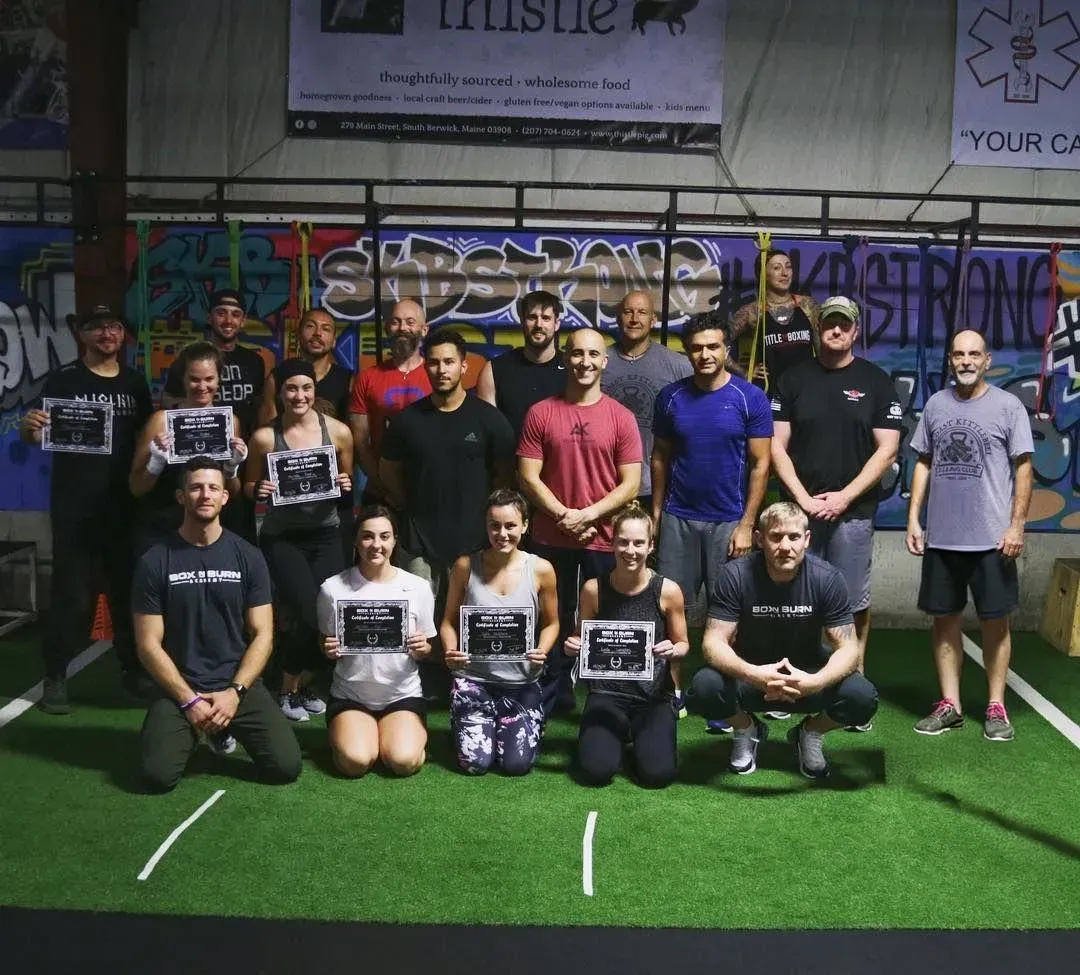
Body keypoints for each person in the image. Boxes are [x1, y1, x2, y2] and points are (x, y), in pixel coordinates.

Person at [132, 457, 302, 793]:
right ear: (181, 497)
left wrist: (236, 692)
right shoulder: (155, 560)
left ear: (226, 497)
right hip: (181, 686)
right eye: (195, 487)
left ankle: (221, 725)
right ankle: (193, 728)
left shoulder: (248, 556)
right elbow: (147, 645)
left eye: (213, 488)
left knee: (285, 767)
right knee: (157, 776)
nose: (205, 494)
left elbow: (263, 634)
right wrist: (189, 701)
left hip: (235, 685)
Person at [770, 295, 902, 724]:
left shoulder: (877, 381)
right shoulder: (792, 379)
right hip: (798, 513)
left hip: (854, 513)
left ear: (855, 331)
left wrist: (844, 496)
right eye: (829, 323)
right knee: (792, 599)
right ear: (819, 328)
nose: (836, 330)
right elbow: (775, 445)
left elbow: (887, 450)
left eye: (844, 324)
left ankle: (853, 687)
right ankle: (788, 683)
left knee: (851, 603)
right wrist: (803, 501)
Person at [20, 304, 153, 713]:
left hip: (124, 505)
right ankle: (56, 674)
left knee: (127, 591)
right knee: (72, 596)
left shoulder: (135, 383)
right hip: (75, 506)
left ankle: (133, 669)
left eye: (114, 326)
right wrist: (30, 431)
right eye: (97, 327)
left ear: (123, 334)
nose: (107, 333)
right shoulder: (64, 380)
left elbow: (148, 437)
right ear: (84, 335)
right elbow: (38, 435)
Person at [686, 502, 878, 779]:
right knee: (703, 688)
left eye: (794, 537)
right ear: (760, 539)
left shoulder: (827, 579)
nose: (785, 546)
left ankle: (809, 733)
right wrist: (753, 674)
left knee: (862, 697)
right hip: (751, 677)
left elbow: (849, 648)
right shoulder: (735, 575)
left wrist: (815, 682)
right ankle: (745, 728)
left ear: (807, 540)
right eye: (776, 537)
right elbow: (713, 643)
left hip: (807, 676)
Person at [906, 329, 1033, 742]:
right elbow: (923, 462)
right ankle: (950, 705)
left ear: (986, 360)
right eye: (958, 354)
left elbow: (1023, 469)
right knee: (945, 621)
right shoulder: (936, 406)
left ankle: (996, 706)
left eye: (973, 354)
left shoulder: (1008, 406)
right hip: (943, 538)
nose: (965, 361)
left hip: (993, 539)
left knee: (995, 622)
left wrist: (1016, 525)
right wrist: (913, 518)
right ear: (950, 361)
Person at [651, 313, 772, 726]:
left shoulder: (749, 398)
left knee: (727, 616)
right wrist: (656, 515)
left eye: (712, 347)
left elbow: (761, 465)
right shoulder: (670, 397)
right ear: (688, 352)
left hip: (728, 523)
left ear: (726, 351)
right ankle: (672, 691)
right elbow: (660, 457)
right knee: (673, 611)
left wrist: (746, 524)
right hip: (678, 519)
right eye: (697, 348)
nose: (704, 354)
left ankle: (722, 698)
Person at [517, 326, 642, 717]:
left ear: (604, 361)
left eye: (592, 355)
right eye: (576, 354)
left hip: (603, 538)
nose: (584, 362)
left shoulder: (621, 417)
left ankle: (608, 702)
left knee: (607, 623)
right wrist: (564, 516)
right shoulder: (541, 412)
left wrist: (587, 515)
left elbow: (632, 482)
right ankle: (552, 699)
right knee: (551, 619)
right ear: (565, 358)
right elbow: (527, 475)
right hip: (550, 537)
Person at [244, 359, 354, 723]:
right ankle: (287, 689)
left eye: (306, 387)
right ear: (280, 391)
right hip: (283, 537)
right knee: (307, 612)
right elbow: (246, 486)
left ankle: (301, 685)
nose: (299, 395)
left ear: (314, 390)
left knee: (329, 616)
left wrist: (345, 486)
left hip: (327, 534)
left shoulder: (337, 432)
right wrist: (258, 489)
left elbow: (346, 483)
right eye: (291, 388)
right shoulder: (263, 437)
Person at [380, 329, 516, 614]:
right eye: (434, 362)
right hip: (418, 543)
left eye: (449, 362)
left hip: (474, 543)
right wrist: (408, 506)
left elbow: (503, 477)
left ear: (463, 366)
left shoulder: (489, 420)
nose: (441, 369)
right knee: (416, 624)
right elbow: (388, 471)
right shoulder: (407, 422)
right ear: (425, 365)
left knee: (467, 624)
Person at [564, 503, 689, 788]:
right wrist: (573, 646)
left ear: (650, 546)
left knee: (658, 776)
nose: (630, 550)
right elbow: (579, 636)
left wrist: (672, 650)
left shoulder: (667, 591)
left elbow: (683, 644)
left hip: (653, 696)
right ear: (612, 543)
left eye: (638, 543)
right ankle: (613, 741)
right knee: (595, 773)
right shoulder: (594, 589)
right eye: (623, 542)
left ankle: (638, 741)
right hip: (606, 694)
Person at [440, 490, 559, 776]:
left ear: (525, 526)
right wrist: (450, 651)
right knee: (475, 764)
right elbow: (447, 622)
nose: (502, 533)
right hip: (473, 680)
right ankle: (470, 717)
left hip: (520, 683)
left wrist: (542, 650)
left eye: (510, 526)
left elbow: (552, 623)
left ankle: (519, 720)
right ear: (486, 526)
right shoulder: (465, 566)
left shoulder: (541, 570)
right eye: (494, 525)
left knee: (516, 766)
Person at [317, 506, 436, 778]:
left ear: (395, 540)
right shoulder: (332, 588)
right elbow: (322, 641)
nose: (376, 545)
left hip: (401, 695)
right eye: (368, 536)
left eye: (384, 536)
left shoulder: (417, 587)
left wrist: (422, 649)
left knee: (403, 762)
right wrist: (328, 649)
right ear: (356, 541)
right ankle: (359, 736)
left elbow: (428, 647)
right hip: (351, 696)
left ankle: (396, 737)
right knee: (355, 762)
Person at [129, 342, 246, 552]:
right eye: (194, 379)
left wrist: (231, 468)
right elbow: (136, 488)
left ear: (219, 379)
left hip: (211, 529)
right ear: (183, 379)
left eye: (209, 379)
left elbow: (233, 493)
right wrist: (155, 463)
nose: (202, 387)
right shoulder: (161, 421)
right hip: (164, 525)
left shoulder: (230, 422)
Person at [600, 290, 692, 510]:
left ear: (653, 320)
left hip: (657, 485)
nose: (634, 319)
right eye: (628, 312)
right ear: (618, 318)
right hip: (605, 482)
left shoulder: (678, 365)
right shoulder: (598, 360)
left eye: (641, 312)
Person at [347, 297, 431, 506]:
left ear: (424, 329)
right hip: (380, 493)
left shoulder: (438, 375)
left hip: (427, 490)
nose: (403, 328)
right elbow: (360, 442)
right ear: (387, 328)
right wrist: (384, 485)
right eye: (396, 321)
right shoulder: (367, 378)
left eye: (410, 322)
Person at [162, 288, 268, 435]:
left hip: (242, 446)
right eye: (221, 313)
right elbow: (168, 401)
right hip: (200, 441)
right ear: (209, 317)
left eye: (236, 314)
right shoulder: (191, 358)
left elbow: (260, 404)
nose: (228, 320)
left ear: (243, 321)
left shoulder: (255, 361)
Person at [476, 289, 567, 441]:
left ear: (556, 324)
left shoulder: (572, 369)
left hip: (561, 463)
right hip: (511, 463)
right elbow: (487, 432)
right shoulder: (494, 370)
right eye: (532, 317)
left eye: (545, 318)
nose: (538, 324)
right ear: (522, 320)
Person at [729, 249, 819, 392]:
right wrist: (744, 373)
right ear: (762, 274)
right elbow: (719, 345)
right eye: (777, 268)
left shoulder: (807, 305)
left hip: (805, 390)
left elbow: (822, 351)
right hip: (768, 392)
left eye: (788, 266)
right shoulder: (751, 312)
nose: (785, 273)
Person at [258, 308, 354, 425]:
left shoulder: (348, 380)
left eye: (326, 329)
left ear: (334, 341)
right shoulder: (277, 376)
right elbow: (268, 433)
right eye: (310, 326)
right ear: (298, 334)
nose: (318, 333)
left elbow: (349, 434)